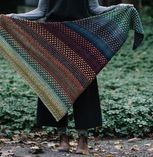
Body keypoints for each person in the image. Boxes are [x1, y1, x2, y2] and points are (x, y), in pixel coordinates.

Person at [8, 0, 133, 154]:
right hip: (54, 38)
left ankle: (83, 139)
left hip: (81, 37)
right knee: (55, 87)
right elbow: (40, 12)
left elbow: (95, 9)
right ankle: (63, 138)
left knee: (85, 88)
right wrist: (14, 16)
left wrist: (118, 8)